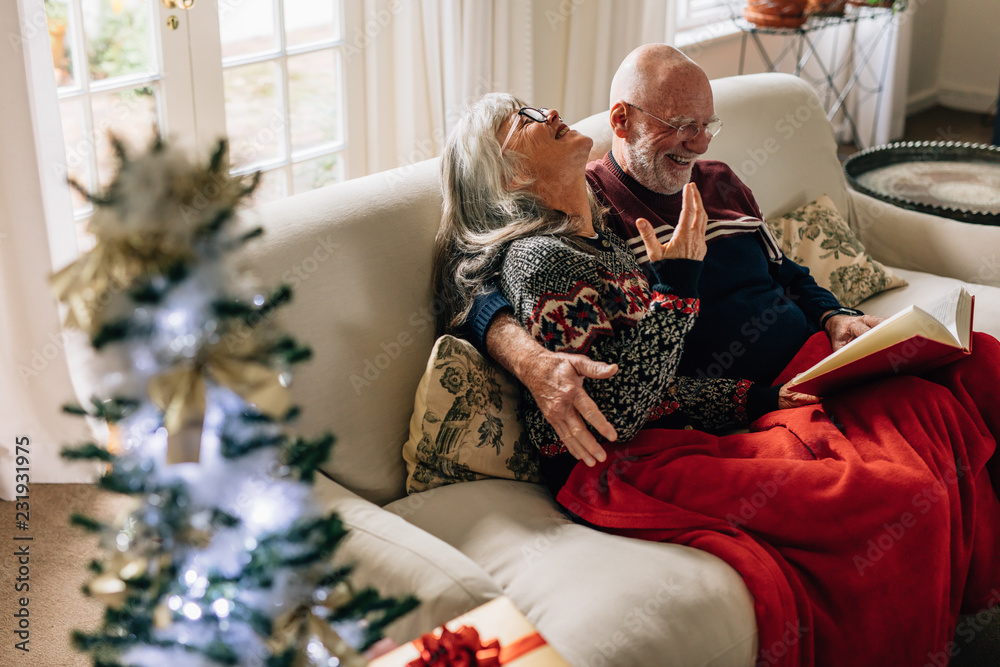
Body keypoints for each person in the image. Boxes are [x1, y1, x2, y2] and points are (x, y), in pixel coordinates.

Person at [433, 91, 1000, 667]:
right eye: (522, 120)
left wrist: (756, 396)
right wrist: (675, 288)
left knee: (940, 405)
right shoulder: (543, 256)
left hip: (676, 431)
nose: (548, 112)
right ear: (509, 173)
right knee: (894, 494)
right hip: (624, 466)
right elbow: (617, 416)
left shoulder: (596, 233)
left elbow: (653, 386)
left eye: (707, 124)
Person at [459, 45, 885, 468]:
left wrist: (835, 316)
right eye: (682, 125)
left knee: (944, 385)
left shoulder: (719, 181)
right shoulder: (584, 212)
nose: (699, 144)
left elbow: (787, 273)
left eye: (707, 125)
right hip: (740, 407)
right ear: (621, 121)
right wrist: (526, 357)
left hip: (811, 362)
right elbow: (475, 266)